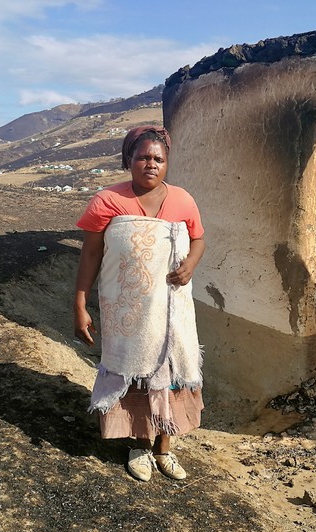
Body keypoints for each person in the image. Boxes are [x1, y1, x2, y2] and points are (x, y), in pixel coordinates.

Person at [73, 125, 206, 482]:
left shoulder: (183, 200)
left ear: (167, 163)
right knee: (134, 371)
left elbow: (198, 240)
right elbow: (90, 255)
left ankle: (165, 448)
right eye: (143, 157)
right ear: (128, 160)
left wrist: (191, 264)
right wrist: (80, 302)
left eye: (158, 158)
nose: (151, 163)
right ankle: (138, 446)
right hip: (128, 312)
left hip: (172, 310)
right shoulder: (107, 201)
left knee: (171, 369)